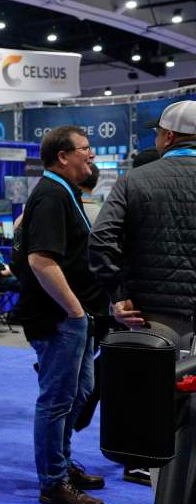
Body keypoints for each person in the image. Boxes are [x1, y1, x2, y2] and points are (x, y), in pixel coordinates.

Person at [16, 125, 108, 504]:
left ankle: (62, 463)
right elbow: (41, 260)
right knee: (56, 400)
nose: (91, 155)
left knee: (79, 393)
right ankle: (53, 482)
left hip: (72, 317)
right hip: (58, 319)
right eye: (84, 149)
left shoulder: (62, 192)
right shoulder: (53, 194)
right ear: (63, 156)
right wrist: (74, 310)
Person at [90, 100, 196, 346]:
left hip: (150, 320)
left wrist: (119, 295)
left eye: (157, 133)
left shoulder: (133, 180)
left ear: (169, 137)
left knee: (150, 384)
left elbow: (101, 239)